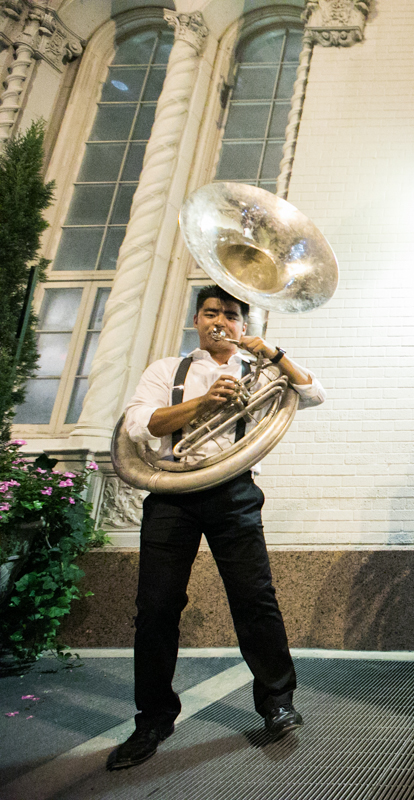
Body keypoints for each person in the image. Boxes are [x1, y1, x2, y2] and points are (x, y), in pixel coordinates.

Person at [108, 285, 326, 771]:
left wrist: (272, 353)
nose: (220, 322)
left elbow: (312, 393)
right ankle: (153, 719)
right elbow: (141, 424)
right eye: (211, 313)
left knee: (255, 598)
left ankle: (276, 702)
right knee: (157, 606)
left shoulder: (259, 370)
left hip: (234, 491)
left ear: (242, 325)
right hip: (172, 492)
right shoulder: (167, 370)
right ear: (196, 320)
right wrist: (203, 404)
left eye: (230, 315)